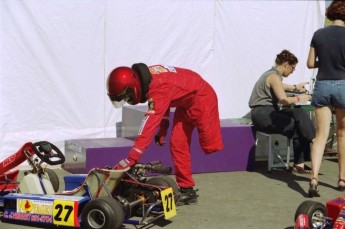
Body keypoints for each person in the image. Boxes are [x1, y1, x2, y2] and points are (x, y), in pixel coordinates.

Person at [106, 63, 224, 205]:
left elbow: (149, 125)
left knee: (211, 145)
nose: (127, 99)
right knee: (177, 143)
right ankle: (188, 191)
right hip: (185, 103)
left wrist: (131, 158)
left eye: (126, 96)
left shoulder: (158, 87)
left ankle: (189, 186)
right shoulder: (151, 82)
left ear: (134, 87)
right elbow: (166, 100)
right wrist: (163, 129)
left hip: (203, 98)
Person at [249, 50, 315, 174]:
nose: (292, 71)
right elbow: (284, 100)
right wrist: (301, 98)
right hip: (263, 115)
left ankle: (313, 139)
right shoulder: (273, 76)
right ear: (286, 64)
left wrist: (296, 87)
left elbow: (281, 86)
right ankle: (303, 157)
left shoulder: (272, 74)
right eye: (293, 68)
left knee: (299, 113)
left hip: (269, 112)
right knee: (295, 125)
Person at [307, 1, 345, 197]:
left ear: (330, 14)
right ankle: (341, 178)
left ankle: (313, 178)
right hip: (343, 85)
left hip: (322, 84)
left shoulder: (318, 34)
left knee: (320, 135)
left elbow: (310, 63)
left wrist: (327, 61)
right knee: (342, 134)